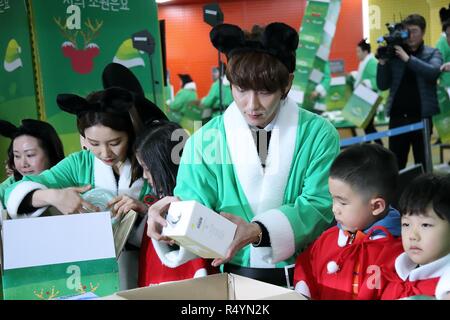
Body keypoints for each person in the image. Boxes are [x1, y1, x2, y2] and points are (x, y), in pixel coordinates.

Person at [146, 22, 340, 288]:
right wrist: (171, 223)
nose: (252, 105)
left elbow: (319, 205)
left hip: (305, 276)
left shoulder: (318, 133)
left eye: (265, 91)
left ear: (287, 84)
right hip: (232, 280)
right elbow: (194, 205)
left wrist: (258, 231)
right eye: (241, 89)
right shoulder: (205, 140)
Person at [3, 87, 156, 291]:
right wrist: (54, 196)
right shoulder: (79, 164)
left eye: (115, 142)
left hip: (149, 267)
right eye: (94, 143)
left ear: (131, 133)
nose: (104, 152)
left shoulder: (151, 160)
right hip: (93, 273)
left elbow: (179, 209)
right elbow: (13, 192)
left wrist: (144, 210)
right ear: (83, 138)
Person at [293, 144, 404, 299]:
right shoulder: (327, 240)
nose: (334, 209)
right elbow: (306, 266)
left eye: (342, 203)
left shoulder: (399, 254)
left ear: (376, 206)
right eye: (333, 199)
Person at [135, 120, 218, 286]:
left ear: (164, 165)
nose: (144, 176)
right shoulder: (158, 203)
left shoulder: (198, 201)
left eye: (147, 168)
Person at [376, 14, 443, 170]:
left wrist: (408, 59)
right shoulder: (395, 55)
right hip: (397, 117)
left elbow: (433, 72)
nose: (410, 36)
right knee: (396, 165)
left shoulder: (433, 53)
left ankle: (425, 194)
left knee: (424, 163)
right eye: (407, 32)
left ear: (423, 31)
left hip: (422, 117)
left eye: (414, 31)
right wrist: (383, 62)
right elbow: (382, 85)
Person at [379, 174, 450, 300]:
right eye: (406, 224)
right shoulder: (392, 269)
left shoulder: (445, 289)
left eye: (425, 225)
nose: (413, 235)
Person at [0, 119, 64, 209]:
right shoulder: (9, 185)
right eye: (17, 156)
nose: (23, 164)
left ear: (51, 153)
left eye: (30, 155)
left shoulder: (69, 177)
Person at [351, 38, 382, 145]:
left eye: (358, 51)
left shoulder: (371, 62)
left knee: (368, 125)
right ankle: (372, 145)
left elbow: (377, 80)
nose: (357, 54)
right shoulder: (365, 62)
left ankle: (378, 145)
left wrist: (366, 82)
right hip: (367, 98)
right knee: (368, 125)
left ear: (365, 51)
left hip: (371, 98)